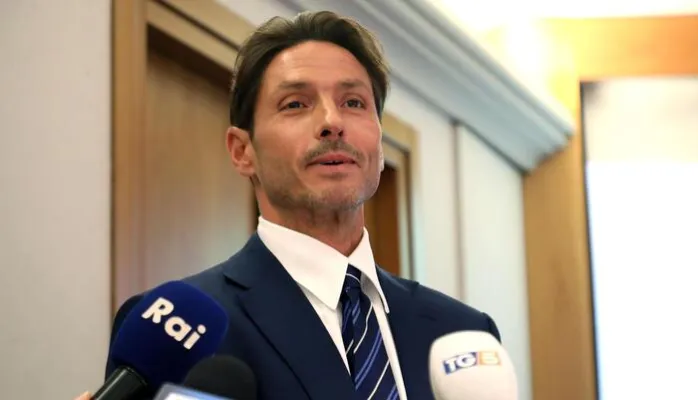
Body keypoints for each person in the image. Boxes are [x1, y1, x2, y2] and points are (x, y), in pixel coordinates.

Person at [96, 10, 501, 400]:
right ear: (242, 151)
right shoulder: (175, 334)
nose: (332, 122)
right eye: (295, 104)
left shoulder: (463, 334)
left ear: (379, 144)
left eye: (354, 102)